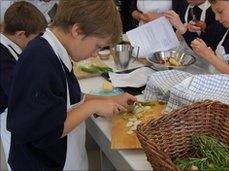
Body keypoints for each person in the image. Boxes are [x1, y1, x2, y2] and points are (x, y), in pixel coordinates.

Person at [7, 0, 136, 170]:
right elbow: (45, 131)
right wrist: (93, 106)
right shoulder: (40, 60)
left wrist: (113, 98)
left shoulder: (56, 52)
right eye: (97, 46)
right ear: (78, 30)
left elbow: (69, 97)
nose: (95, 53)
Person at [0, 1, 47, 170]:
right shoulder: (2, 54)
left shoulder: (12, 45)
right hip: (8, 116)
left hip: (15, 114)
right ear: (20, 34)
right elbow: (17, 90)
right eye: (35, 39)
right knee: (18, 160)